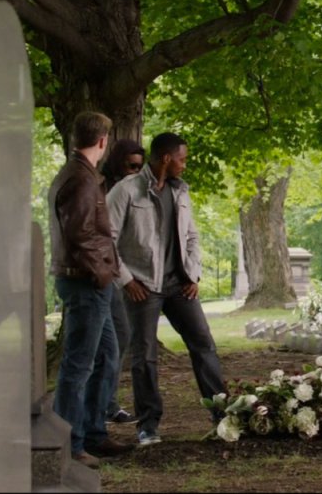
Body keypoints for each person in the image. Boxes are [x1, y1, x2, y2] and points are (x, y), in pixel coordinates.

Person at [107, 132, 228, 446]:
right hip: (142, 287)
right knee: (144, 356)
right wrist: (127, 281)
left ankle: (222, 415)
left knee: (204, 345)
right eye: (182, 159)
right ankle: (148, 426)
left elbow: (191, 238)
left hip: (180, 286)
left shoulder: (181, 192)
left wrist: (194, 275)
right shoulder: (125, 191)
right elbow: (105, 240)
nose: (184, 165)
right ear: (166, 158)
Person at [47, 112, 136, 469]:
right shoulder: (81, 180)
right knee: (78, 364)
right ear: (103, 141)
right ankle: (68, 445)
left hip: (89, 279)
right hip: (86, 282)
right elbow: (81, 234)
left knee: (108, 354)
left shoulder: (80, 174)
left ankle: (94, 434)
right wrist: (104, 273)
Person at [99, 139, 146, 425]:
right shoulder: (106, 190)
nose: (134, 172)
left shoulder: (137, 191)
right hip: (108, 274)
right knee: (113, 339)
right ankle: (105, 405)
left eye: (139, 167)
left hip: (124, 271)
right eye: (130, 166)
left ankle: (107, 403)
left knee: (120, 337)